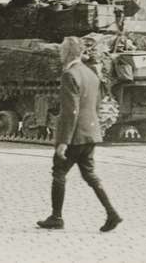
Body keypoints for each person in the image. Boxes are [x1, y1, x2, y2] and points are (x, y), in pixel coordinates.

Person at [37, 36, 122, 232]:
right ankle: (112, 213)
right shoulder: (91, 73)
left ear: (67, 53)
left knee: (59, 172)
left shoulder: (69, 75)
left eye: (61, 51)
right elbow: (97, 103)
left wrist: (63, 142)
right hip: (90, 132)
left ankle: (56, 217)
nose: (60, 54)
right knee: (90, 174)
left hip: (74, 136)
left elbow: (70, 111)